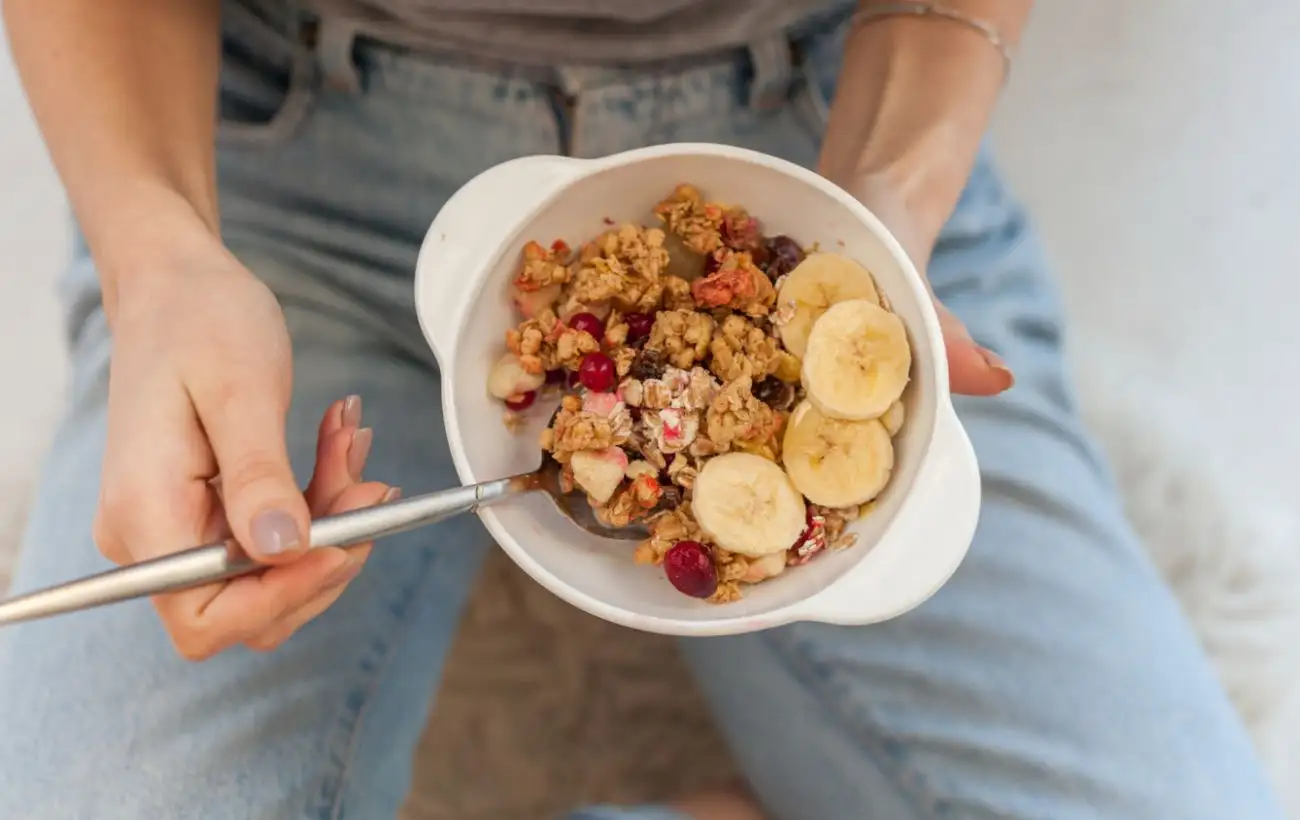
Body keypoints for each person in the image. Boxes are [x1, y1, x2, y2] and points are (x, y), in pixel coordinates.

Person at [0, 0, 1283, 817]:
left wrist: (881, 211)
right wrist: (158, 259)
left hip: (821, 141)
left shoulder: (841, 280)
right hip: (279, 179)